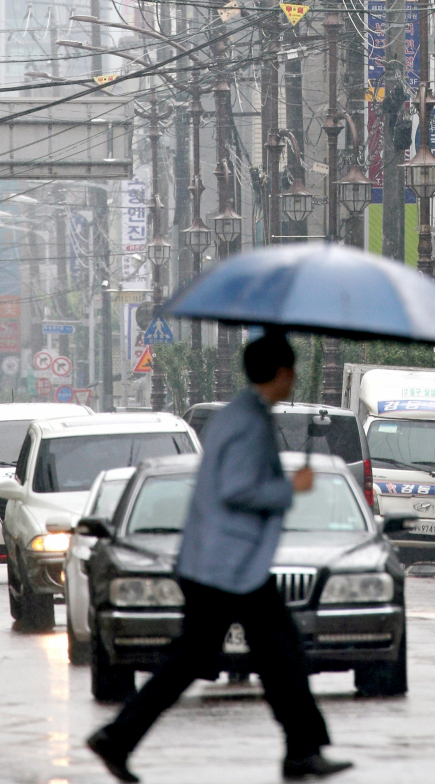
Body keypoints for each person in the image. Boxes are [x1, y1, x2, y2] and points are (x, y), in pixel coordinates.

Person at [87, 331, 353, 784]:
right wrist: (292, 487)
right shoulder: (249, 422)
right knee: (255, 655)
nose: (296, 379)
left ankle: (301, 750)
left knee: (270, 655)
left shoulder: (242, 415)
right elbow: (237, 489)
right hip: (228, 567)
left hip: (225, 562)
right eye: (294, 371)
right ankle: (300, 750)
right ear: (283, 372)